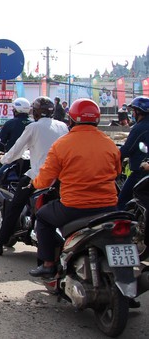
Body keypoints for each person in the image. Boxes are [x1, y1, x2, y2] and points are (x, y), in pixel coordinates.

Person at [28, 98, 121, 277]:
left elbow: (45, 180)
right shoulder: (109, 144)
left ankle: (48, 264)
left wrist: (35, 183)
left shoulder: (62, 145)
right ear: (97, 120)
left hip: (75, 207)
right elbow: (116, 172)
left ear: (71, 120)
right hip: (109, 207)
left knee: (43, 217)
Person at [0, 97, 69, 255]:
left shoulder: (33, 127)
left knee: (15, 206)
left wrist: (3, 158)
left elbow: (17, 150)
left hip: (38, 176)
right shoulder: (63, 126)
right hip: (62, 178)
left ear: (35, 112)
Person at [0, 97, 33, 222]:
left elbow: (0, 143)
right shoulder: (33, 124)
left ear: (15, 110)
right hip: (32, 161)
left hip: (13, 159)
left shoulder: (10, 123)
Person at [118, 96, 149, 209]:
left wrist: (115, 154)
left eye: (134, 111)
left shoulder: (139, 128)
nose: (133, 114)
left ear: (139, 112)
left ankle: (122, 225)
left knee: (122, 201)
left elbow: (127, 150)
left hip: (140, 172)